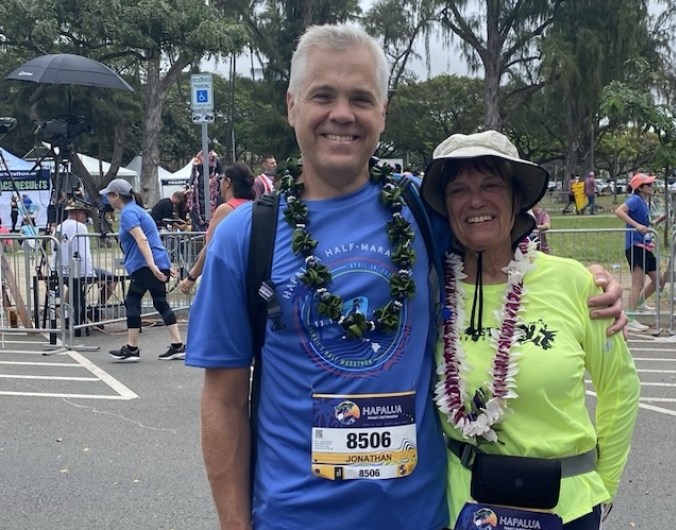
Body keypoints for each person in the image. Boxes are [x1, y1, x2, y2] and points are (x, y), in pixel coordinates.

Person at [185, 24, 626, 530]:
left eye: (360, 98)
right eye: (322, 95)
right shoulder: (246, 237)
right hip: (293, 518)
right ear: (291, 105)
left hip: (422, 516)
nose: (342, 114)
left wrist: (589, 277)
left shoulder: (421, 211)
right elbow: (222, 400)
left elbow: (497, 237)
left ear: (382, 113)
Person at [421, 130, 639, 529]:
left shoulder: (575, 282)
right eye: (458, 189)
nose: (475, 201)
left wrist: (603, 486)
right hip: (460, 510)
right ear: (444, 205)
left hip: (564, 508)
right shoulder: (428, 290)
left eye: (490, 185)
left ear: (517, 197)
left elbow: (620, 387)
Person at [100, 178, 184, 362]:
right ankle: (177, 345)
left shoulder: (129, 213)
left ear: (116, 196)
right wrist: (163, 265)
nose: (107, 199)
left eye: (109, 195)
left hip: (145, 264)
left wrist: (152, 266)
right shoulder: (137, 210)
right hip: (156, 260)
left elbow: (142, 240)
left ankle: (132, 348)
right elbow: (151, 238)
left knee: (132, 301)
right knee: (160, 302)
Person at [179, 163, 255, 294]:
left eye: (221, 179)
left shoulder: (226, 209)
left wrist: (191, 277)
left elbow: (210, 247)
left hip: (224, 276)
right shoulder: (253, 207)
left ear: (228, 182)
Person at [55, 201, 117, 336]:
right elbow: (84, 253)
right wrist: (90, 274)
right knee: (112, 278)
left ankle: (66, 313)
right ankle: (98, 308)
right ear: (78, 213)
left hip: (62, 269)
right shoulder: (80, 228)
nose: (85, 217)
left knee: (72, 286)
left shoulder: (59, 227)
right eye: (84, 214)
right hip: (80, 268)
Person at [615, 172, 666, 332]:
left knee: (659, 279)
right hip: (636, 246)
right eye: (648, 185)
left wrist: (655, 222)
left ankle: (639, 303)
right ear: (640, 187)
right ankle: (629, 318)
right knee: (638, 283)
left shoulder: (643, 202)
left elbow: (644, 222)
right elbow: (619, 211)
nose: (651, 187)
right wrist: (636, 226)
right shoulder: (635, 200)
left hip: (646, 246)